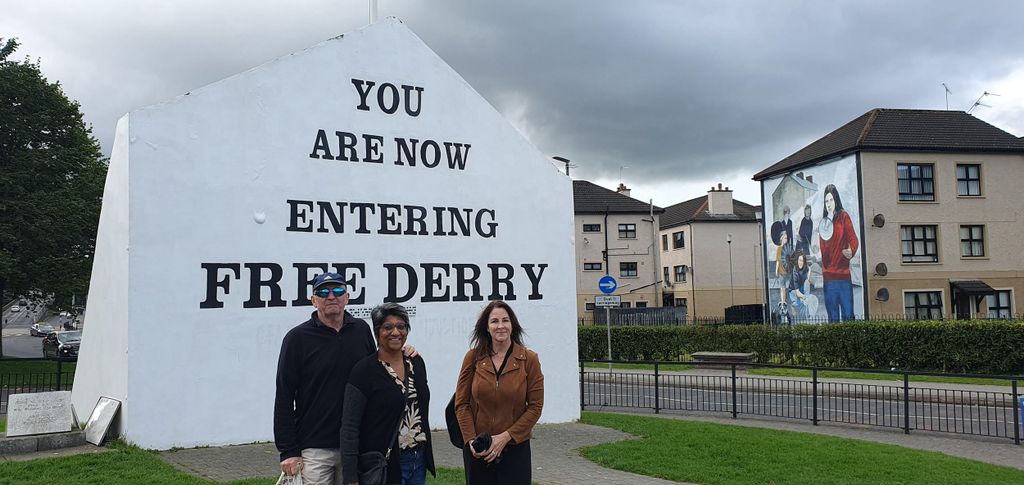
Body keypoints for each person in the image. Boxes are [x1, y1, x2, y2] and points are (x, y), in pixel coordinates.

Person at [274, 272, 416, 485]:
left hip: (357, 445)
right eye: (323, 292)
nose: (331, 296)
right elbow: (284, 395)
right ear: (314, 301)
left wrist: (403, 351)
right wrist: (288, 451)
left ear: (347, 297)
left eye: (338, 291)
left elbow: (379, 367)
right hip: (315, 446)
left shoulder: (360, 330)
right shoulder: (297, 339)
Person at [341, 303, 435, 485]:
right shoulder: (363, 371)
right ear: (377, 332)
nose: (395, 332)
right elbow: (350, 427)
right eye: (388, 327)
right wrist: (351, 476)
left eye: (401, 326)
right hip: (385, 463)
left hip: (418, 458)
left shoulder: (416, 363)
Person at [455, 300, 544, 485]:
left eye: (505, 320)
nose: (500, 326)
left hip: (515, 447)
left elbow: (535, 407)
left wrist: (505, 437)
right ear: (487, 327)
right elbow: (461, 404)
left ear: (513, 325)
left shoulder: (529, 360)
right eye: (494, 321)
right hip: (479, 449)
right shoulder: (473, 358)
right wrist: (471, 440)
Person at [819, 184, 859, 322]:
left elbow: (853, 238)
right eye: (826, 201)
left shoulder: (843, 217)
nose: (829, 204)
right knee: (833, 319)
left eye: (831, 200)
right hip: (829, 278)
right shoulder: (823, 223)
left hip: (843, 277)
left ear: (836, 199)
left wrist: (851, 250)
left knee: (848, 316)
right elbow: (824, 252)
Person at [787, 250, 810, 322]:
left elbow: (808, 278)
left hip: (801, 286)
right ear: (797, 260)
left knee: (804, 303)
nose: (801, 263)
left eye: (802, 261)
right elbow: (797, 293)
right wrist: (805, 297)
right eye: (799, 260)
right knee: (799, 303)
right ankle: (793, 305)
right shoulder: (795, 272)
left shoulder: (807, 269)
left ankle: (806, 315)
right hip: (794, 290)